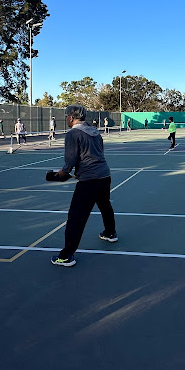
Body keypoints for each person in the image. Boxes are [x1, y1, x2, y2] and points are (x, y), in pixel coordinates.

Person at [51, 105, 118, 267]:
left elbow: (70, 160)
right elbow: (98, 153)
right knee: (104, 205)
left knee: (76, 217)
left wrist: (62, 173)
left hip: (89, 180)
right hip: (104, 175)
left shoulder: (73, 133)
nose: (66, 118)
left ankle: (66, 256)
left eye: (67, 116)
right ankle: (110, 233)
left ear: (71, 118)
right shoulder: (95, 132)